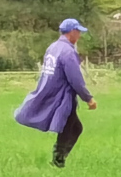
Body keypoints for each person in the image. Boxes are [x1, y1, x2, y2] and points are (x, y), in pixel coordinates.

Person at [15, 19, 97, 167]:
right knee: (71, 128)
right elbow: (75, 80)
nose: (79, 35)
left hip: (51, 91)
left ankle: (58, 159)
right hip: (63, 96)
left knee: (73, 127)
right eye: (78, 32)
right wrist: (88, 98)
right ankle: (58, 160)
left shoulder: (53, 47)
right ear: (71, 32)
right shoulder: (67, 52)